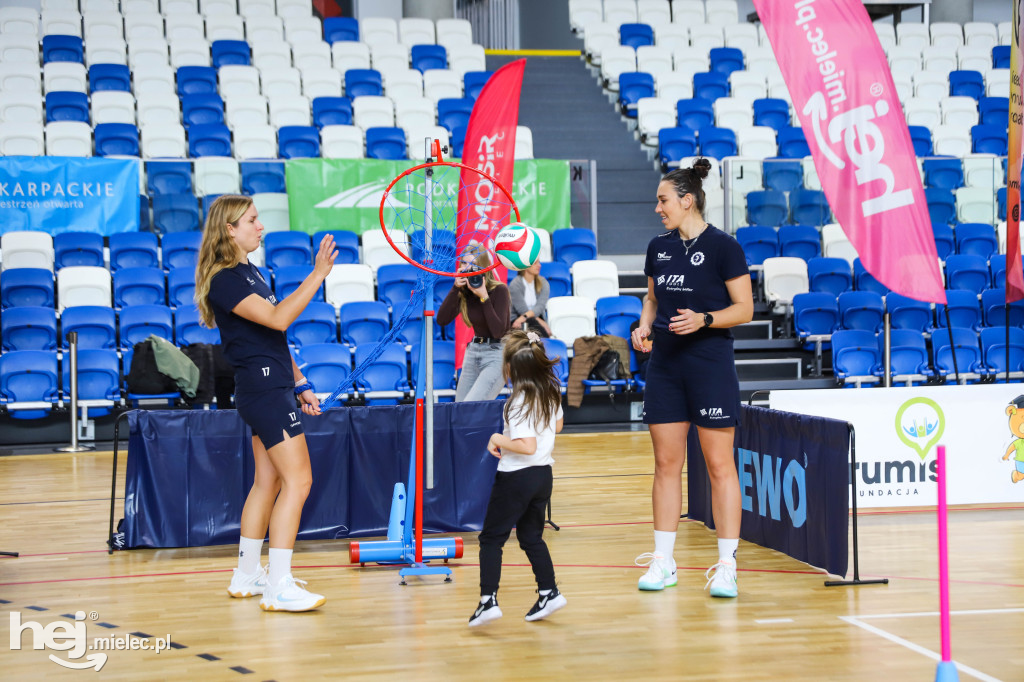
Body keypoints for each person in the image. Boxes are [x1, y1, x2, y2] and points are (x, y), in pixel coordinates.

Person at [195, 195, 337, 612]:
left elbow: (271, 336)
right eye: (252, 220)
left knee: (268, 482)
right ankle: (279, 585)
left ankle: (246, 575)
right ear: (230, 229)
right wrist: (318, 274)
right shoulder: (225, 280)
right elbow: (279, 319)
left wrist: (300, 380)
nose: (260, 227)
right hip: (263, 391)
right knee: (300, 481)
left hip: (273, 386)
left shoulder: (249, 272)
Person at [630, 158, 753, 598]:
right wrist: (644, 326)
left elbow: (744, 309)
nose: (658, 208)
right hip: (664, 367)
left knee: (720, 466)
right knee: (666, 465)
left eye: (664, 201)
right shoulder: (657, 247)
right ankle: (663, 561)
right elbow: (651, 298)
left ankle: (726, 565)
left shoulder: (725, 247)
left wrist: (704, 319)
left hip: (710, 366)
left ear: (687, 200)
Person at [469, 329, 566, 627]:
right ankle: (549, 592)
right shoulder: (549, 391)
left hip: (517, 478)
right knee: (530, 536)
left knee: (491, 539)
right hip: (543, 476)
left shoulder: (519, 401)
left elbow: (527, 446)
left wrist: (498, 437)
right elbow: (558, 427)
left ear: (511, 369)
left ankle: (488, 601)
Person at [437, 249, 511, 402]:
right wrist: (455, 288)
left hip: (496, 354)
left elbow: (498, 332)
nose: (467, 268)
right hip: (473, 352)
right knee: (460, 407)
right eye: (464, 262)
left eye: (473, 264)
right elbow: (442, 320)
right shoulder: (465, 291)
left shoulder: (499, 290)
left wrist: (484, 297)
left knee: (473, 408)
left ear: (483, 267)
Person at [508, 260, 552, 336]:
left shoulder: (544, 283)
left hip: (534, 318)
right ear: (526, 266)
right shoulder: (515, 284)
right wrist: (543, 323)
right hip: (517, 320)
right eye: (535, 263)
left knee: (533, 324)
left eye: (539, 262)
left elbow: (540, 307)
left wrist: (526, 317)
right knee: (534, 324)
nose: (539, 265)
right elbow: (522, 310)